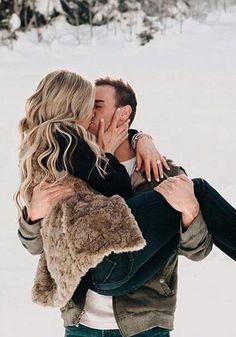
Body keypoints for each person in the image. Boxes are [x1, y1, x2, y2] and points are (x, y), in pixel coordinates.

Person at [17, 71, 235, 335]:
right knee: (197, 189)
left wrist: (190, 212)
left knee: (193, 191)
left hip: (144, 324)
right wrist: (33, 216)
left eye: (96, 106)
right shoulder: (68, 164)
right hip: (82, 323)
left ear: (123, 114)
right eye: (85, 105)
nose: (87, 115)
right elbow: (38, 245)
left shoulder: (164, 175)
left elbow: (197, 251)